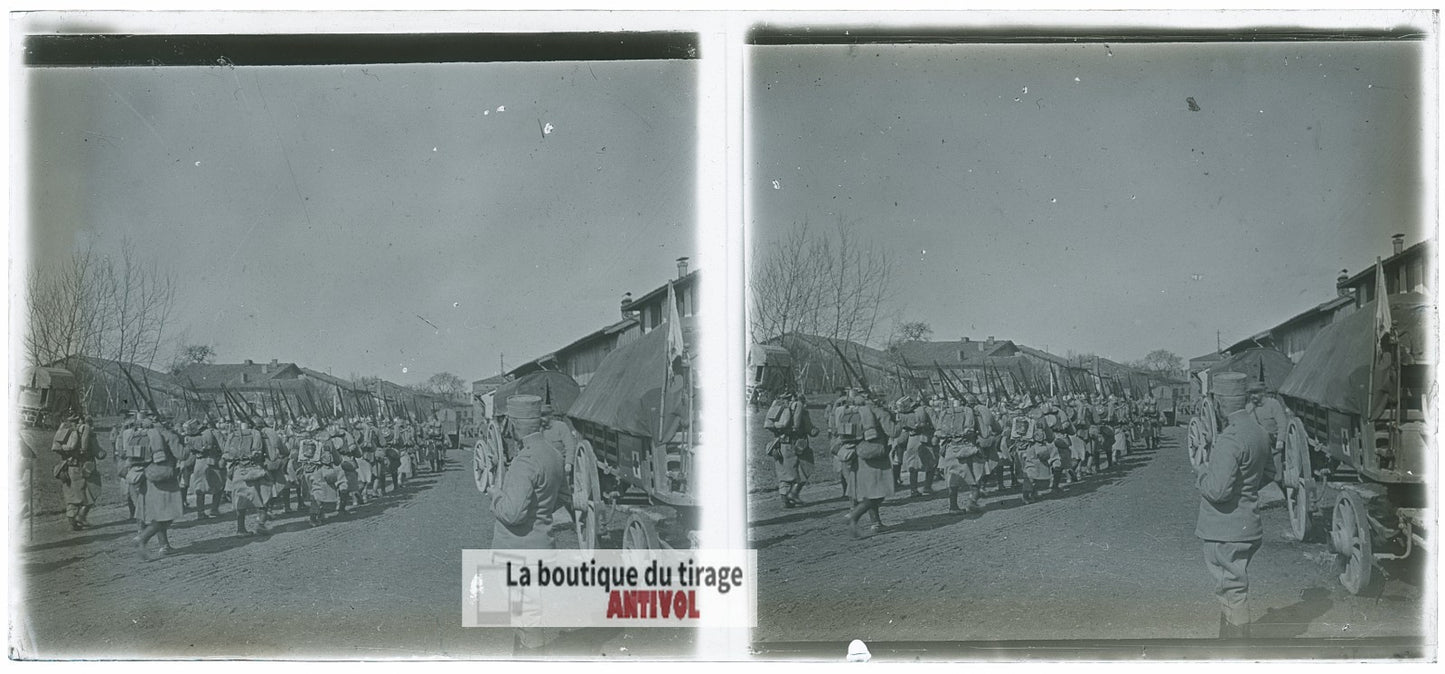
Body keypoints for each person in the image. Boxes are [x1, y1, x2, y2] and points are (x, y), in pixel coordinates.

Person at [1196, 391, 1274, 639]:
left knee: (1232, 593)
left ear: (1218, 404)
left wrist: (1201, 473)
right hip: (1248, 525)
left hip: (1224, 529)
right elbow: (1272, 473)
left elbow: (1217, 492)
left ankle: (1236, 654)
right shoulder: (1259, 432)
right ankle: (1229, 647)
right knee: (1232, 592)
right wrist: (1246, 489)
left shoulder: (1229, 439)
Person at [844, 389, 895, 539]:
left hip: (858, 454)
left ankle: (876, 523)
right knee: (878, 493)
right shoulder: (877, 411)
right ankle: (853, 516)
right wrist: (899, 421)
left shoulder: (854, 410)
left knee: (869, 491)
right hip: (876, 455)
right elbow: (892, 432)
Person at [134, 413, 187, 560]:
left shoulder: (146, 433)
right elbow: (181, 454)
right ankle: (142, 538)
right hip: (164, 479)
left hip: (148, 476)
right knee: (168, 515)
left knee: (158, 514)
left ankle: (165, 546)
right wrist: (185, 444)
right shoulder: (168, 434)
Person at [52, 410, 104, 530]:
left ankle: (72, 524)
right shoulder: (86, 431)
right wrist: (103, 453)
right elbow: (98, 452)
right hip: (83, 467)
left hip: (67, 467)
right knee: (93, 490)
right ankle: (81, 515)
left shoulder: (64, 430)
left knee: (71, 494)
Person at [765, 391, 816, 508]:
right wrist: (815, 431)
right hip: (796, 444)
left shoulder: (778, 407)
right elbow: (809, 429)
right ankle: (793, 494)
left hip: (779, 444)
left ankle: (785, 501)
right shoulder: (801, 410)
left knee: (783, 472)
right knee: (804, 468)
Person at [224, 418, 272, 537]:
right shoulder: (256, 434)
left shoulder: (232, 435)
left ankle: (241, 529)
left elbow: (225, 454)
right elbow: (263, 453)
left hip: (237, 470)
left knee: (240, 500)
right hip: (255, 469)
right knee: (264, 496)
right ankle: (260, 524)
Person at [1245, 381, 1290, 490]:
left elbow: (1282, 423)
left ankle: (1283, 497)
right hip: (1257, 449)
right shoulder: (1248, 408)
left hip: (1273, 448)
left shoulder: (1273, 404)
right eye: (1250, 394)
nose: (1253, 396)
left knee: (1278, 477)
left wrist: (1280, 440)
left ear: (1263, 393)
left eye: (1255, 393)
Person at [182, 418, 225, 520]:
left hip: (198, 462)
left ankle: (200, 512)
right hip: (213, 461)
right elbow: (223, 447)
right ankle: (214, 509)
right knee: (219, 485)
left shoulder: (189, 437)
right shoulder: (214, 432)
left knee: (199, 488)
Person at [895, 397, 937, 498]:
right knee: (931, 463)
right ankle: (927, 487)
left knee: (912, 465)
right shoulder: (926, 410)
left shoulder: (901, 413)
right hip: (925, 438)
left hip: (911, 439)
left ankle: (913, 490)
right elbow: (936, 424)